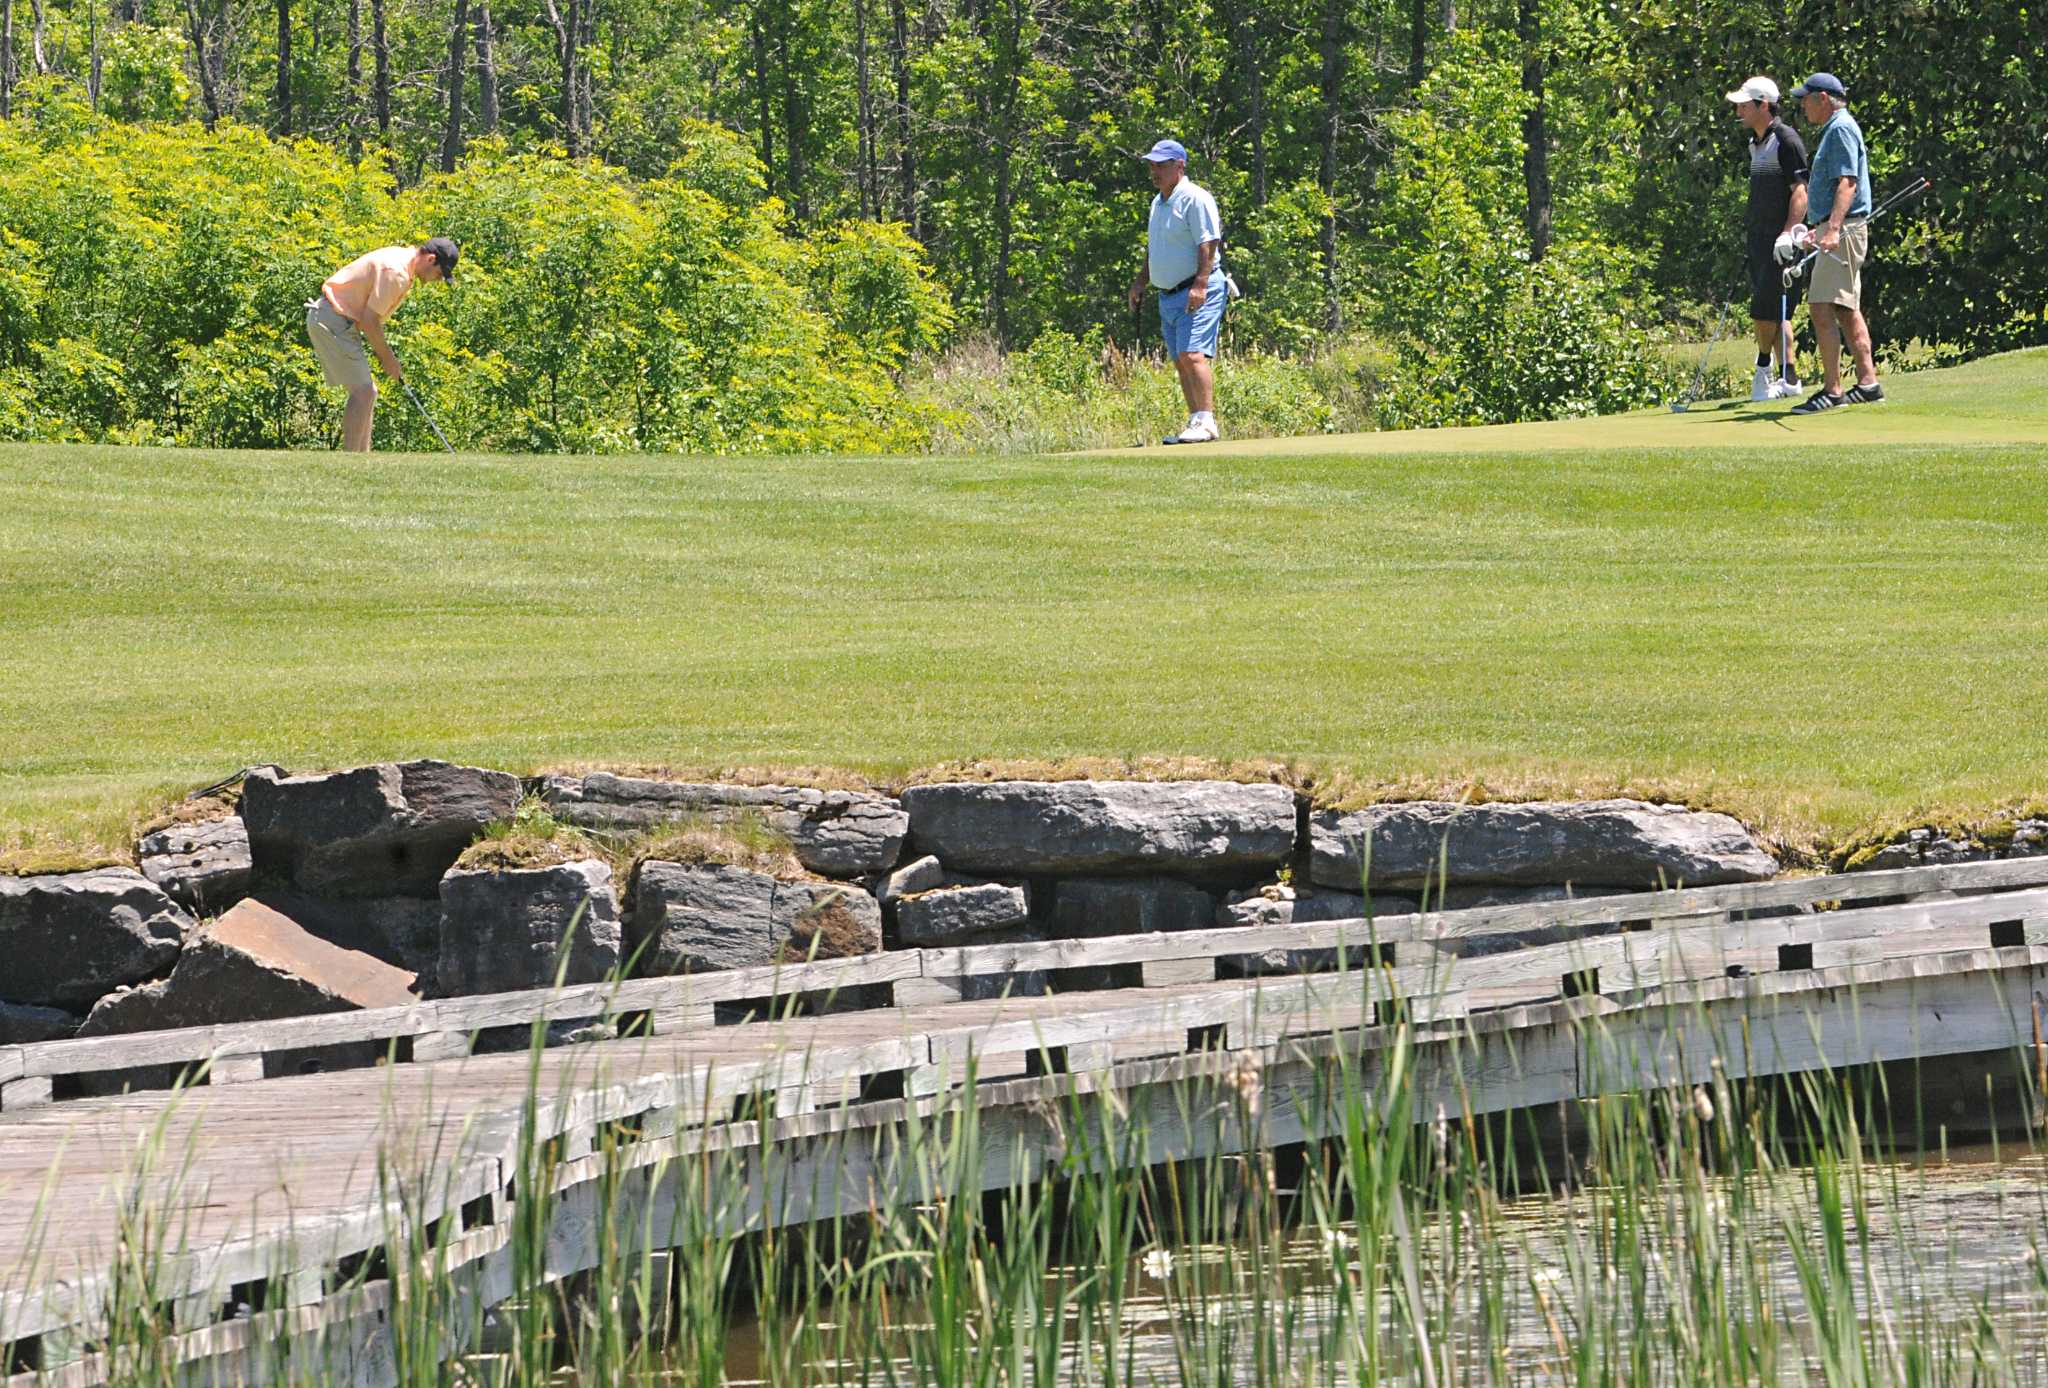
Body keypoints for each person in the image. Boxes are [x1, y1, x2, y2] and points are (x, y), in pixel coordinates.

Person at [1784, 73, 1882, 413]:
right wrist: (1823, 226)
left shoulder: (1840, 128)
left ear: (1823, 98)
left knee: (1821, 307)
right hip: (1841, 227)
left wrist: (1833, 228)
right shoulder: (1836, 128)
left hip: (1845, 228)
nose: (1803, 106)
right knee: (1844, 307)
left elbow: (1848, 184)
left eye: (1806, 100)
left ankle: (1833, 390)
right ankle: (1868, 383)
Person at [306, 238, 460, 451]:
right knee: (363, 392)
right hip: (332, 319)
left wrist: (385, 356)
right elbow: (370, 321)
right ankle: (352, 462)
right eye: (440, 274)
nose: (438, 280)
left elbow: (369, 320)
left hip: (336, 319)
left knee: (368, 392)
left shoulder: (401, 261)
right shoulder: (396, 272)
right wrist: (388, 359)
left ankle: (362, 457)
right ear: (431, 259)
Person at [1127, 140, 1230, 445]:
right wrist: (1140, 281)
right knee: (1180, 358)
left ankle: (1207, 420)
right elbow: (1156, 249)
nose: (1154, 171)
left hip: (1199, 288)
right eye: (1152, 165)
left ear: (1179, 166)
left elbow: (1208, 242)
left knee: (1192, 354)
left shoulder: (1196, 198)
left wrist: (1200, 284)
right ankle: (1196, 420)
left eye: (1161, 165)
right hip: (1168, 294)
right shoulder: (1158, 202)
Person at [1726, 76, 1808, 401]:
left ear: (1763, 104)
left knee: (1764, 310)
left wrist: (1788, 233)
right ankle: (1789, 379)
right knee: (1777, 311)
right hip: (1759, 240)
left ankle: (1763, 370)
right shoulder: (1755, 144)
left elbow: (1800, 191)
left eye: (1745, 104)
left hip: (1781, 241)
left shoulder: (1786, 140)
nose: (1739, 109)